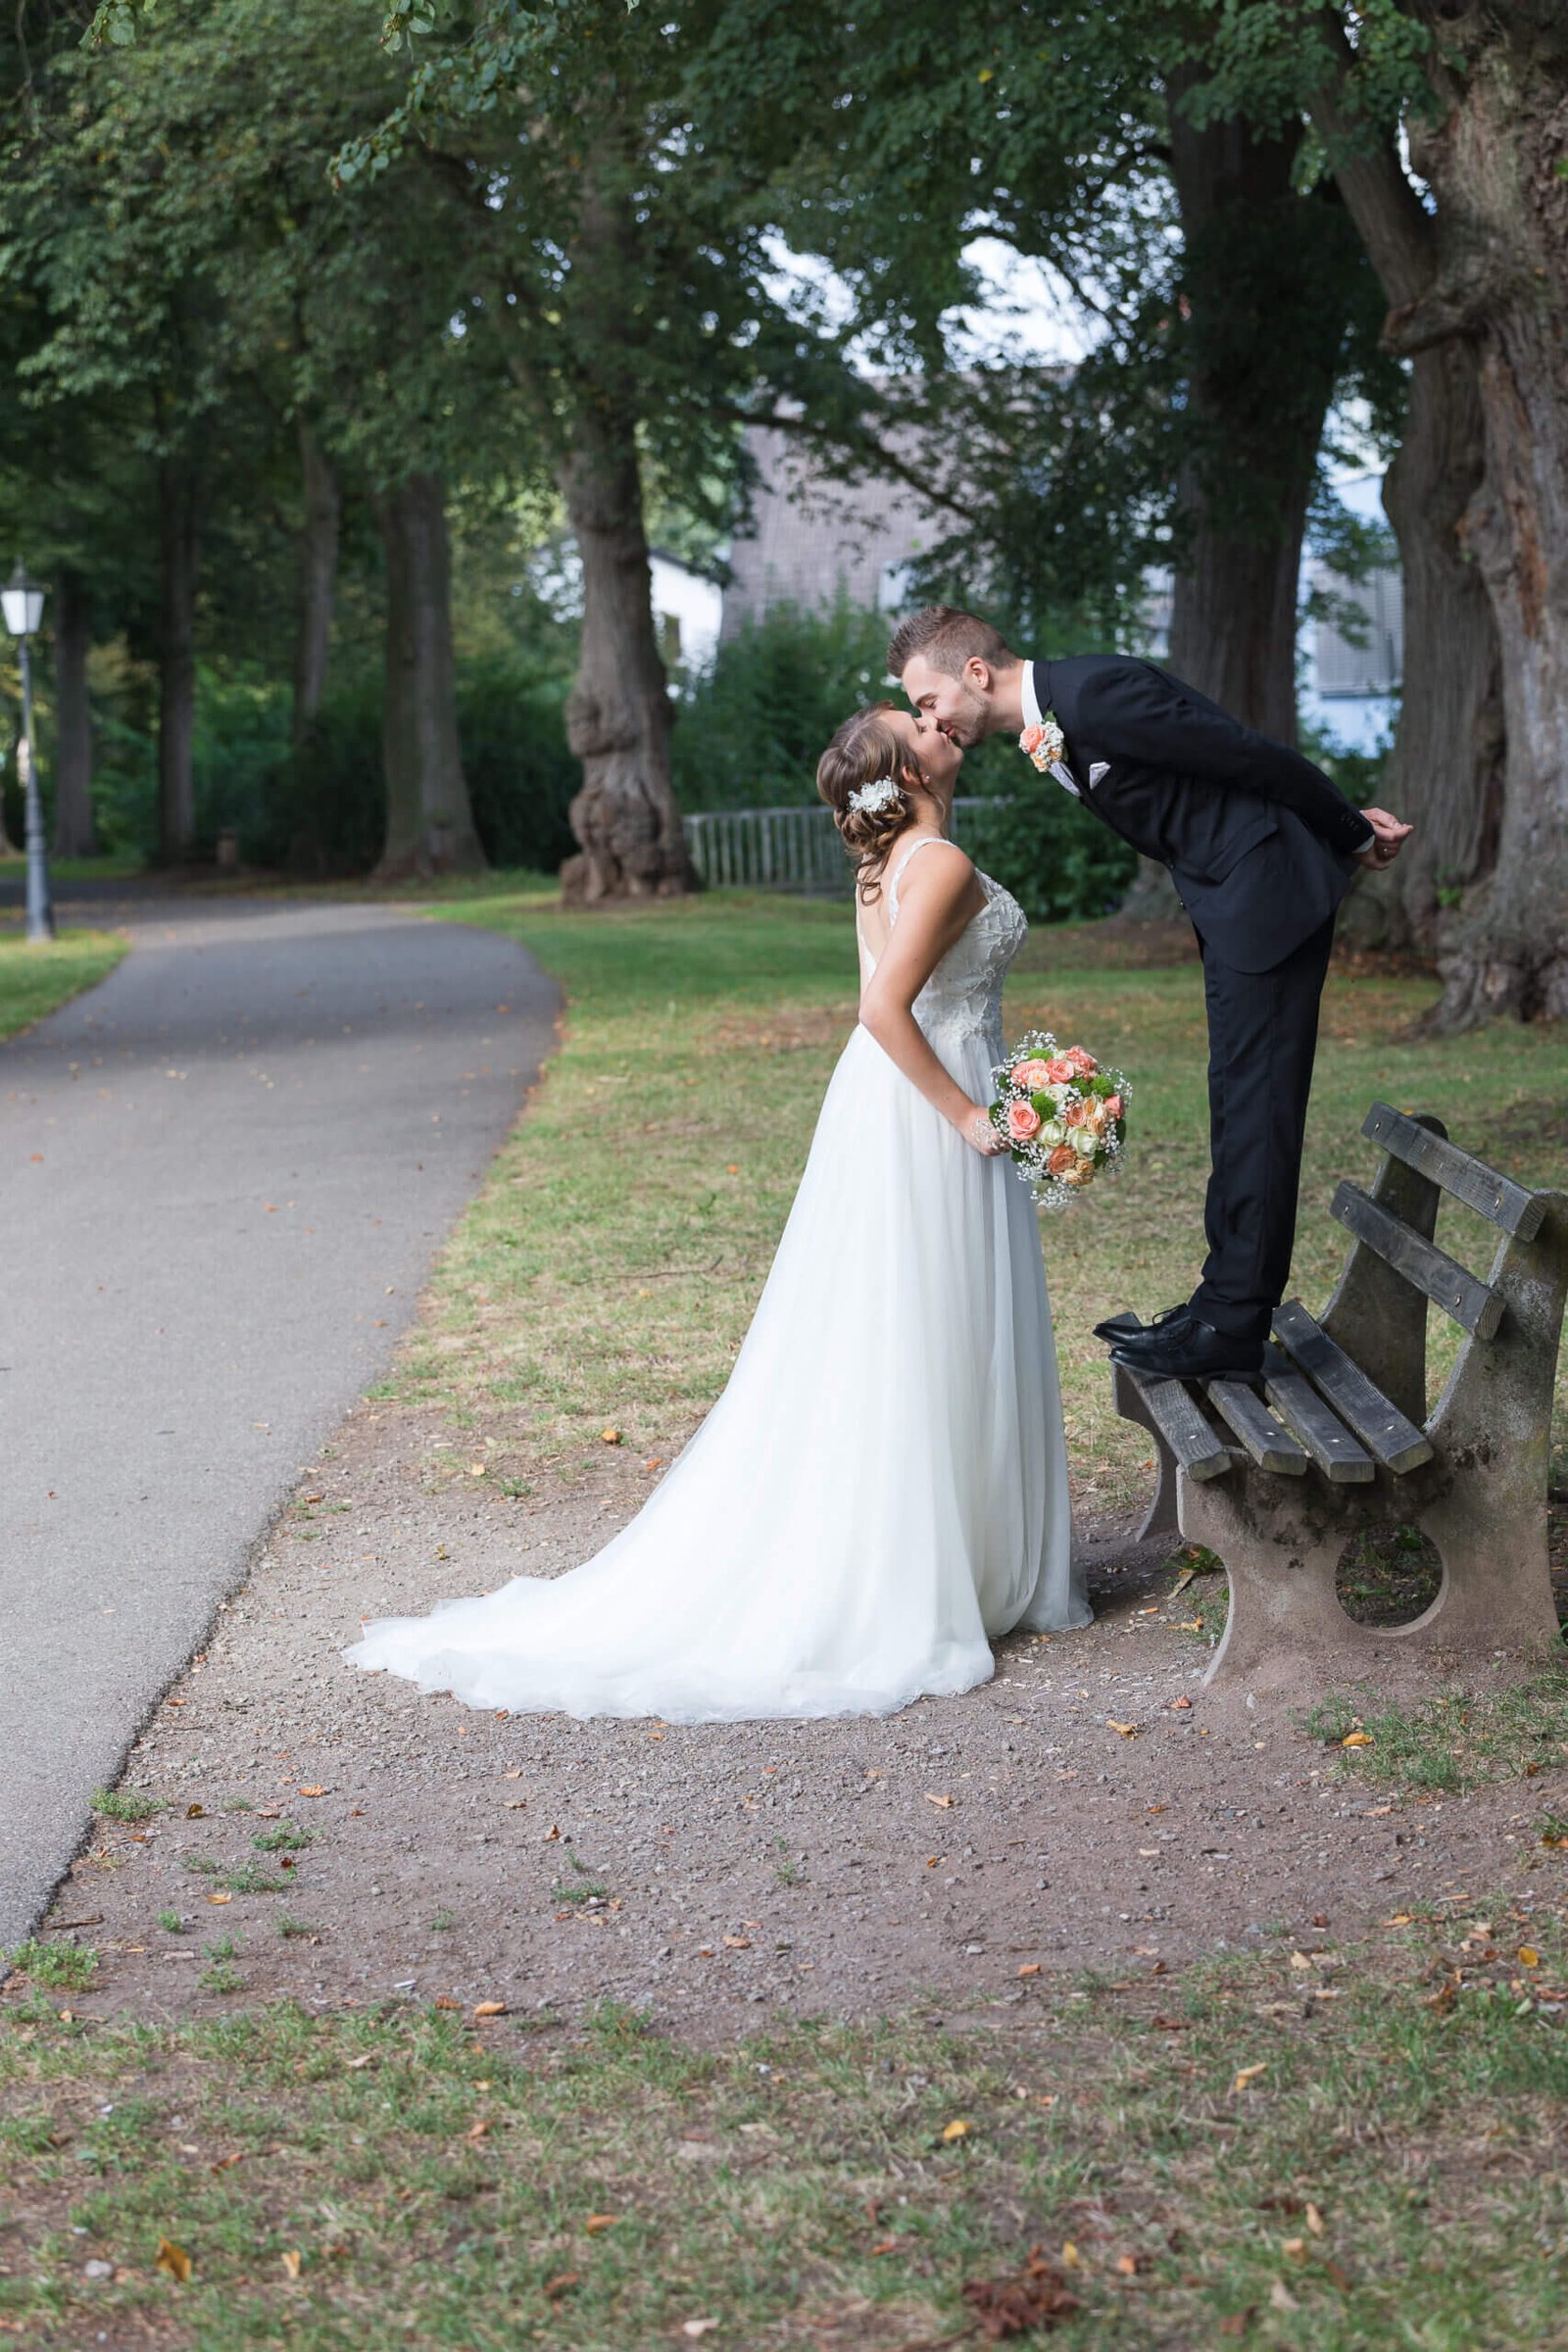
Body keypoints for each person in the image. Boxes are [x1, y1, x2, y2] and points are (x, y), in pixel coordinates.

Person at [345, 705, 1088, 1723]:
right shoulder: (936, 867)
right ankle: (917, 1571)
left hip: (891, 1101)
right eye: (910, 723)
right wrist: (967, 1111)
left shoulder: (892, 866)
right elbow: (882, 1009)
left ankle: (952, 1549)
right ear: (904, 772)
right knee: (925, 1323)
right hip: (927, 1101)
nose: (934, 722)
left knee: (912, 1326)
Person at [888, 606, 1412, 1382]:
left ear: (975, 673)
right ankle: (1218, 1304)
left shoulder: (1097, 692)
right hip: (1233, 909)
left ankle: (1234, 1327)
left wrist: (1350, 831)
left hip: (1268, 897)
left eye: (928, 701)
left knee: (1258, 1107)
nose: (928, 718)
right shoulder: (1060, 718)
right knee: (1236, 1101)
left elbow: (1247, 754)